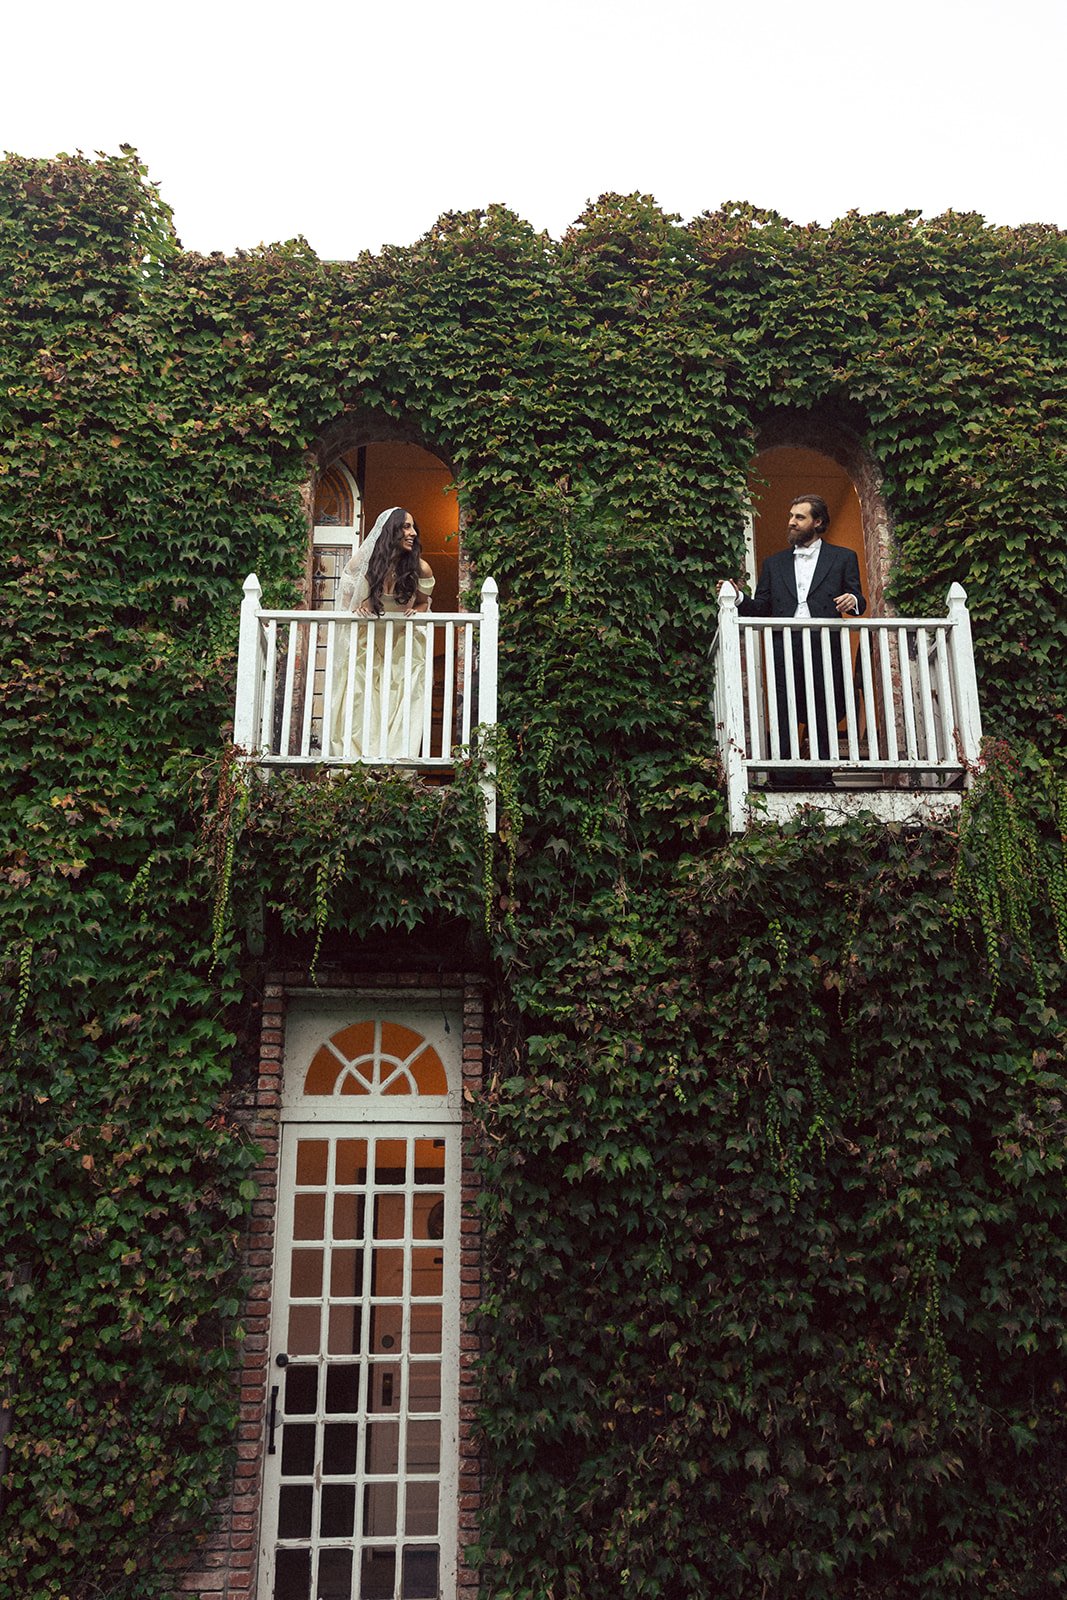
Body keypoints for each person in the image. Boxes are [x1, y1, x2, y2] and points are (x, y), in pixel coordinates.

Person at [721, 495, 866, 770]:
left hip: (824, 644)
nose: (791, 522)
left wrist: (852, 600)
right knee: (783, 707)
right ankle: (783, 773)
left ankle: (823, 774)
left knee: (825, 706)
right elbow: (762, 608)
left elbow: (858, 600)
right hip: (784, 645)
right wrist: (739, 598)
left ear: (818, 522)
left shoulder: (843, 557)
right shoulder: (774, 564)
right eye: (791, 516)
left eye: (800, 517)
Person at [328, 507, 436, 759]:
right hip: (368, 639)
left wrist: (417, 612)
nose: (413, 533)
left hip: (401, 640)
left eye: (413, 527)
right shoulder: (363, 564)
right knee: (360, 697)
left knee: (400, 698)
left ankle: (396, 761)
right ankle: (358, 759)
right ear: (391, 531)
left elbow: (423, 603)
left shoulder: (421, 568)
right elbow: (346, 602)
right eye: (406, 527)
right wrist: (359, 607)